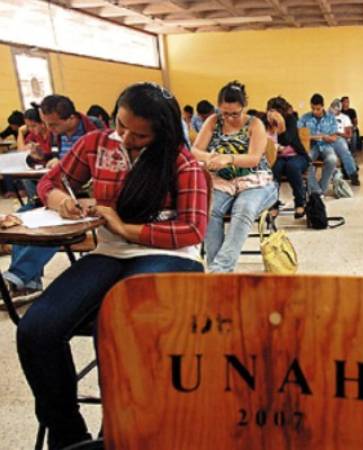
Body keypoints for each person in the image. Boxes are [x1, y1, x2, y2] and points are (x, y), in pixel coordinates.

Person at [16, 82, 208, 450]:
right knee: (35, 331)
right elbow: (51, 183)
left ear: (162, 134)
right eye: (121, 125)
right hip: (109, 253)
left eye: (139, 135)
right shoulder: (96, 144)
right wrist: (62, 202)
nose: (125, 137)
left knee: (119, 331)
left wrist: (122, 225)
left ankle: (118, 434)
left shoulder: (182, 163)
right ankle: (69, 436)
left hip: (169, 256)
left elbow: (192, 229)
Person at [3, 95, 104, 298]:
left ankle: (19, 278)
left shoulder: (94, 132)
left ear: (71, 118)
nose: (50, 129)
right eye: (47, 124)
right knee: (23, 215)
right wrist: (46, 157)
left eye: (54, 124)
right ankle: (27, 280)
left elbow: (98, 170)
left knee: (57, 223)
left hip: (86, 193)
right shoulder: (56, 133)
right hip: (62, 190)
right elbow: (52, 166)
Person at [192, 81, 277, 272]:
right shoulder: (213, 121)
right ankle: (219, 271)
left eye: (235, 113)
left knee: (244, 208)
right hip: (222, 181)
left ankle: (218, 271)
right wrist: (211, 157)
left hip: (256, 181)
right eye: (225, 113)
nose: (229, 118)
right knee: (210, 211)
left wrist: (228, 158)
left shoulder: (255, 124)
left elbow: (254, 159)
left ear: (243, 107)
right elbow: (195, 150)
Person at [267, 96, 310, 218]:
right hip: (277, 157)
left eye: (276, 111)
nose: (272, 114)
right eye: (270, 111)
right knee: (273, 169)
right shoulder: (265, 123)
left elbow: (286, 140)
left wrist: (280, 124)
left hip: (297, 156)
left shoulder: (291, 120)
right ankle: (273, 204)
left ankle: (299, 203)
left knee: (292, 167)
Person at [298, 93, 339, 196]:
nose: (315, 111)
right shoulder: (305, 118)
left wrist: (327, 137)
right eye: (313, 108)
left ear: (323, 106)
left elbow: (334, 138)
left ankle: (322, 187)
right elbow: (299, 135)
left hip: (326, 146)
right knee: (305, 161)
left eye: (318, 109)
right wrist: (314, 137)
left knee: (332, 159)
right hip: (311, 147)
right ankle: (317, 190)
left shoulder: (331, 118)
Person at [329, 99, 360, 185]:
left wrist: (338, 133)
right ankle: (333, 176)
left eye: (334, 108)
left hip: (340, 138)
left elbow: (349, 135)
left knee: (344, 152)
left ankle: (353, 175)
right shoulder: (327, 117)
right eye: (332, 108)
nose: (332, 110)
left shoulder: (345, 118)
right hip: (327, 138)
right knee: (328, 154)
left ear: (339, 109)